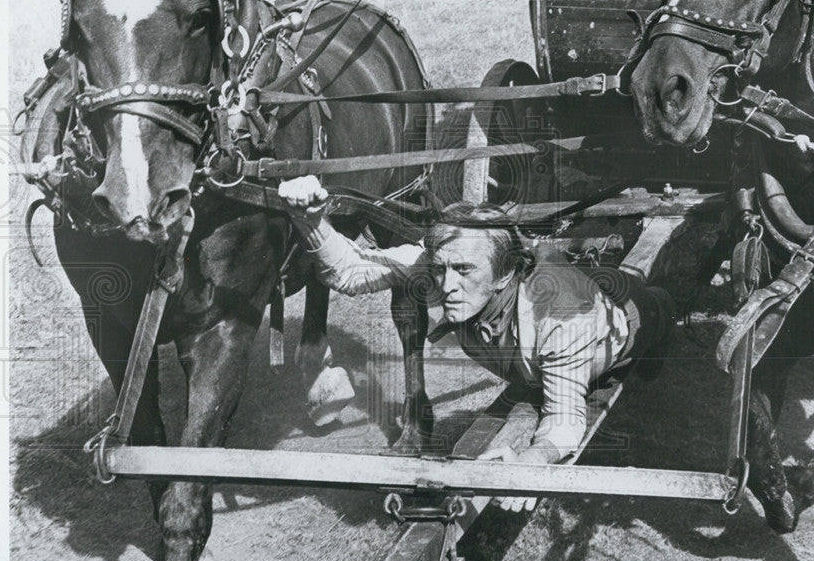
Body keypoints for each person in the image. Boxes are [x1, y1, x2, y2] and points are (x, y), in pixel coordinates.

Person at [279, 176, 675, 511]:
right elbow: (350, 271)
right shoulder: (445, 270)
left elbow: (566, 421)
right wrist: (309, 218)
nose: (447, 287)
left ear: (504, 275)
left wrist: (531, 460)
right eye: (440, 269)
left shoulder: (560, 318)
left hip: (634, 319)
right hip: (546, 343)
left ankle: (664, 306)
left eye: (465, 271)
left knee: (654, 322)